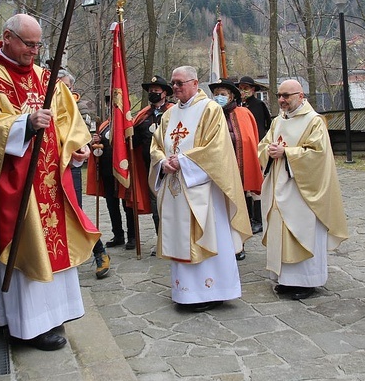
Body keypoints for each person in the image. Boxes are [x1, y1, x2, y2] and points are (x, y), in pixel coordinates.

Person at [0, 14, 100, 351]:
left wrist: (75, 148)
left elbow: (66, 121)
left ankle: (53, 315)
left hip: (49, 182)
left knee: (54, 248)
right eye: (27, 44)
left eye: (38, 45)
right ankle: (27, 325)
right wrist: (23, 124)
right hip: (15, 187)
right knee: (26, 250)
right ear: (7, 37)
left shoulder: (44, 78)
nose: (33, 52)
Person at [149, 66, 251, 312]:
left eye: (179, 83)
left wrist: (182, 161)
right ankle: (185, 291)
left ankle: (213, 290)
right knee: (180, 236)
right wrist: (163, 161)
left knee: (208, 235)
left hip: (203, 188)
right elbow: (156, 145)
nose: (174, 87)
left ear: (195, 83)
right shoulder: (168, 115)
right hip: (175, 187)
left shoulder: (210, 110)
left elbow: (216, 148)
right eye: (173, 83)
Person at [258, 80, 348, 301]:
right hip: (278, 184)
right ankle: (286, 280)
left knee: (302, 230)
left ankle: (307, 281)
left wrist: (287, 153)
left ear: (301, 96)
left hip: (303, 190)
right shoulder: (278, 121)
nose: (282, 100)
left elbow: (318, 154)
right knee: (281, 231)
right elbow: (264, 145)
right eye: (279, 95)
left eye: (287, 96)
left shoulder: (314, 121)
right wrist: (268, 150)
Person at [57, 69, 110, 279]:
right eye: (59, 86)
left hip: (71, 168)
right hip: (48, 168)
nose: (63, 91)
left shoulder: (76, 109)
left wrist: (84, 146)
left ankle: (100, 252)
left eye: (67, 87)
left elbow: (83, 136)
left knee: (74, 211)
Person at [210, 79, 263, 261]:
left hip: (238, 170)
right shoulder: (210, 115)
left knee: (239, 208)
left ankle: (239, 245)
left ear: (232, 96)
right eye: (216, 94)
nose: (219, 97)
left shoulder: (243, 113)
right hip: (216, 171)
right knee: (218, 209)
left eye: (223, 94)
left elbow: (249, 140)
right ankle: (220, 245)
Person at [131, 75, 174, 255]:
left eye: (157, 91)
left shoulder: (174, 112)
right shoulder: (143, 116)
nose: (153, 93)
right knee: (156, 209)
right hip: (151, 170)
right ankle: (162, 243)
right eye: (151, 91)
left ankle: (176, 242)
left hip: (172, 168)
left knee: (174, 207)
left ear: (164, 93)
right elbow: (134, 140)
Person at [86, 102, 135, 249]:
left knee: (127, 205)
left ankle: (132, 236)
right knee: (111, 205)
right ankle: (118, 235)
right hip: (107, 172)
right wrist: (95, 141)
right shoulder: (104, 125)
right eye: (109, 105)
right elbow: (96, 148)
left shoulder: (128, 124)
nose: (111, 108)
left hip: (124, 171)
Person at [236, 75, 271, 235]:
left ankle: (258, 220)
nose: (243, 91)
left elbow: (266, 126)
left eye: (246, 88)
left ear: (253, 90)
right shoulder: (237, 106)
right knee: (244, 185)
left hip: (256, 148)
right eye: (241, 88)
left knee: (255, 185)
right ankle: (248, 217)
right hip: (241, 151)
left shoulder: (258, 105)